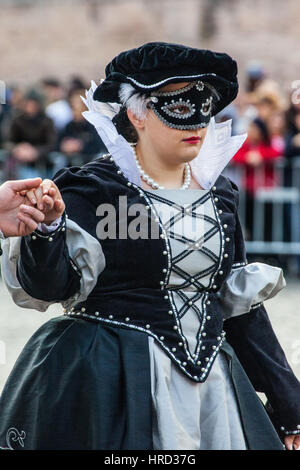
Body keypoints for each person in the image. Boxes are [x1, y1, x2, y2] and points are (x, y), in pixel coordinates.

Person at [0, 42, 300, 451]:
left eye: (206, 105)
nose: (197, 121)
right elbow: (49, 288)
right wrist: (47, 230)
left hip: (211, 394)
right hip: (114, 384)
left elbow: (240, 307)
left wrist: (289, 404)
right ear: (136, 114)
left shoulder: (220, 196)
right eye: (178, 107)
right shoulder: (92, 190)